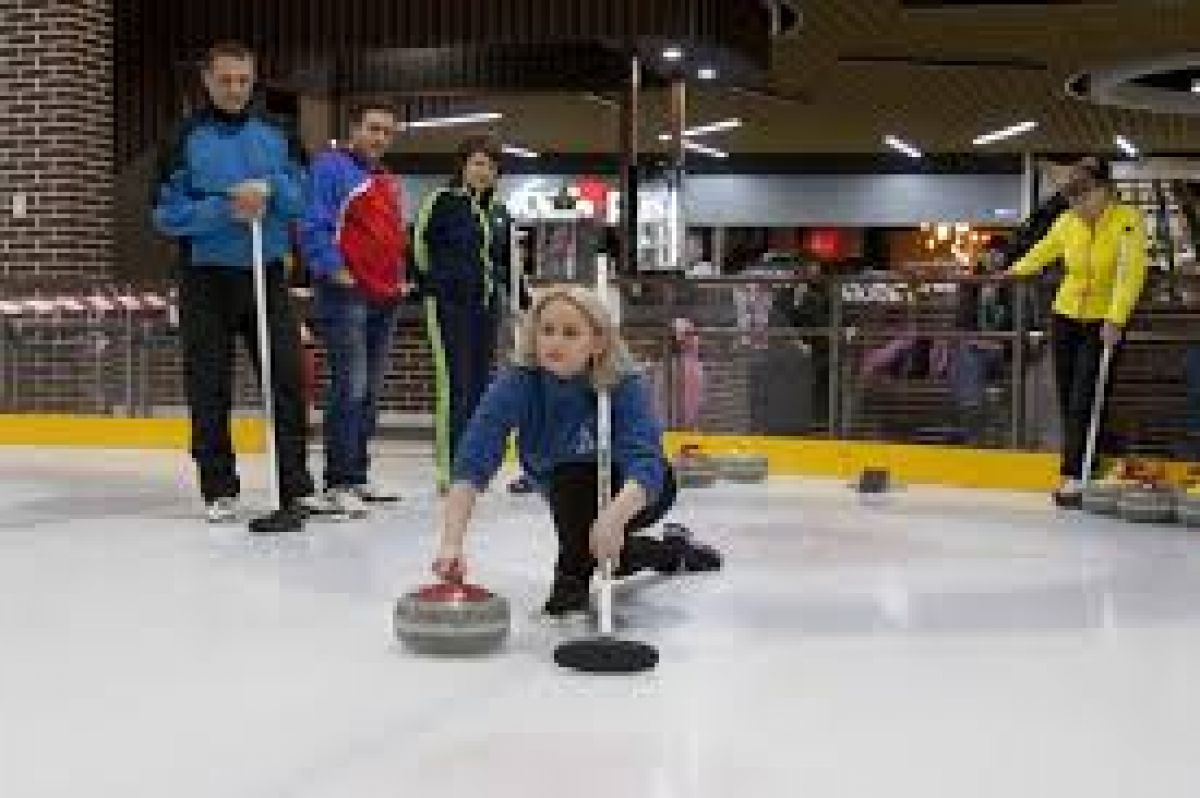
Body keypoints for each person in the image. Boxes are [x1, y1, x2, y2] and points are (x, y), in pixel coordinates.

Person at [430, 285, 722, 618]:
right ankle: (673, 551)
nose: (555, 342)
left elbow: (645, 462)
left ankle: (569, 591)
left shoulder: (623, 384)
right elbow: (473, 458)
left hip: (637, 492)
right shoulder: (519, 383)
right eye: (547, 330)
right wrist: (451, 543)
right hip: (568, 494)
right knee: (603, 550)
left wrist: (613, 517)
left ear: (597, 342)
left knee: (582, 508)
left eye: (570, 333)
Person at [152, 40, 322, 533]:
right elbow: (165, 213)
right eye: (225, 80)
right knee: (209, 384)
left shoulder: (278, 133)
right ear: (207, 80)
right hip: (205, 277)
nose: (234, 89)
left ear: (253, 80)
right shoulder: (183, 138)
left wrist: (271, 191)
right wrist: (224, 208)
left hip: (264, 272)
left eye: (243, 80)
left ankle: (293, 485)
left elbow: (303, 196)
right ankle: (219, 487)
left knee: (286, 377)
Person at [1008, 157, 1149, 507]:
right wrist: (1016, 269)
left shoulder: (1127, 221)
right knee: (1068, 395)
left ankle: (1073, 475)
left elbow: (1131, 272)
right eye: (1073, 198)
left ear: (1105, 191)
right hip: (1066, 316)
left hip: (1103, 322)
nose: (1079, 205)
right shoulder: (1067, 222)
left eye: (1085, 196)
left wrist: (1116, 319)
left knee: (1086, 397)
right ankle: (1089, 465)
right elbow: (1045, 250)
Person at [298, 102, 408, 516]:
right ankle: (338, 480)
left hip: (384, 296)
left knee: (370, 391)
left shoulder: (385, 179)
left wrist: (399, 277)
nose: (380, 138)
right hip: (346, 294)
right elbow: (313, 223)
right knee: (351, 386)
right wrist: (333, 269)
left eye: (388, 132)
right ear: (354, 129)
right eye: (373, 128)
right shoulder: (330, 168)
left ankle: (357, 474)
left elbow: (392, 236)